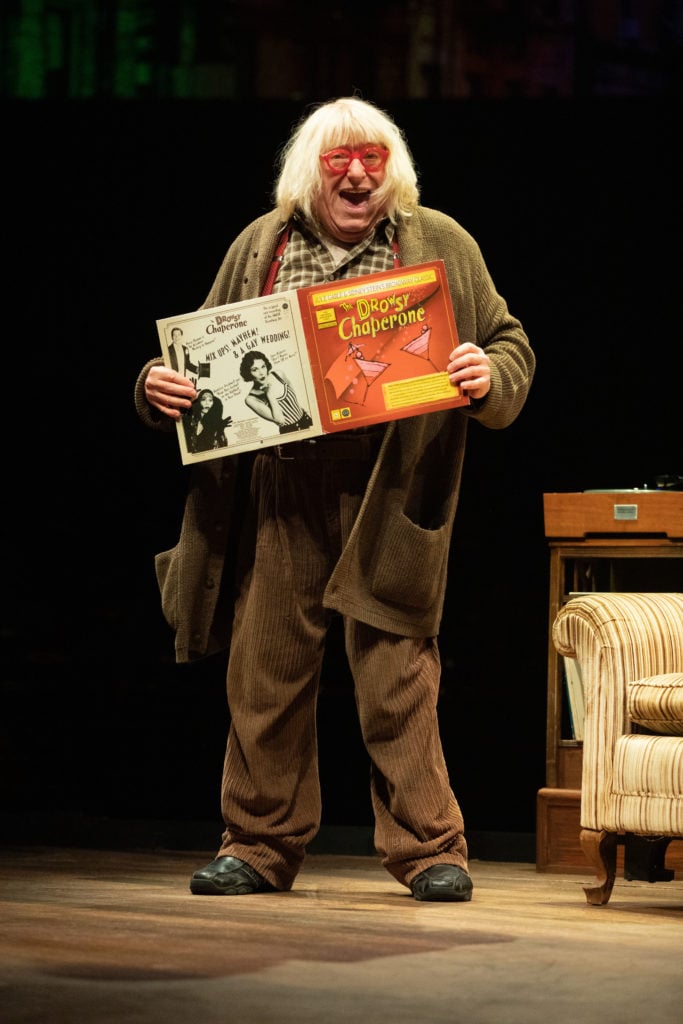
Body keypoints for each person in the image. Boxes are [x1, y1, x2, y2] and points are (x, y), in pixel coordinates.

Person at [135, 96, 535, 902]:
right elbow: (196, 356)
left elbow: (506, 340)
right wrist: (154, 387)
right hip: (283, 488)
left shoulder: (439, 243)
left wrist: (488, 377)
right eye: (337, 161)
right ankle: (256, 845)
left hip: (390, 483)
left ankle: (430, 850)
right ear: (305, 173)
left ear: (394, 172)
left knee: (397, 672)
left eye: (372, 160)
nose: (356, 175)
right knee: (265, 671)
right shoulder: (262, 245)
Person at [240, 350, 313, 434]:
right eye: (255, 369)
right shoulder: (251, 399)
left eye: (263, 367)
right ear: (248, 373)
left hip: (307, 420)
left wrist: (300, 410)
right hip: (290, 432)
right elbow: (280, 420)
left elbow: (291, 389)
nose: (261, 373)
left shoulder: (278, 374)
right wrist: (269, 393)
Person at [183, 388, 232, 453]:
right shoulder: (191, 419)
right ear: (199, 402)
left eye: (210, 400)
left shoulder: (216, 422)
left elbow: (222, 448)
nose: (207, 403)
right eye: (203, 399)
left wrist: (219, 431)